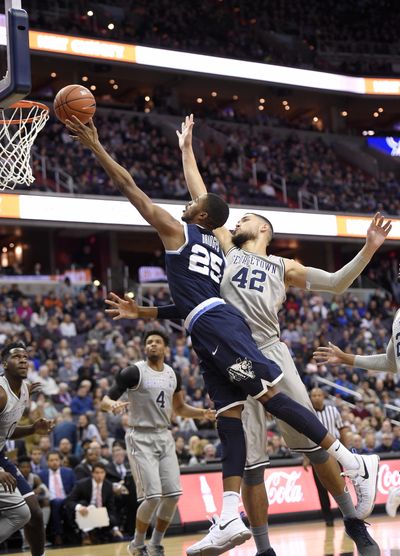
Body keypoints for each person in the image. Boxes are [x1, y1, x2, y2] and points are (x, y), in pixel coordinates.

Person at [67, 115, 380, 556]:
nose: (238, 221)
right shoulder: (222, 246)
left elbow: (335, 282)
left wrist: (367, 248)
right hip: (226, 345)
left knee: (311, 446)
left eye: (247, 217)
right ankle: (262, 546)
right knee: (250, 462)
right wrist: (186, 151)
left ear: (264, 230)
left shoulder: (281, 265)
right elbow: (202, 197)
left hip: (263, 344)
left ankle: (354, 515)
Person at [100, 329, 215, 556]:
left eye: (157, 342)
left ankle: (156, 544)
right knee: (152, 497)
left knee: (172, 495)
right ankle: (137, 544)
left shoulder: (173, 375)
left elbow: (180, 409)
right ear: (145, 348)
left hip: (164, 435)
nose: (152, 345)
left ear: (165, 348)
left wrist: (203, 413)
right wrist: (111, 406)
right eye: (149, 342)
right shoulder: (133, 372)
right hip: (140, 436)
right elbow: (105, 399)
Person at [0, 341, 54, 555]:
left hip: (1, 453)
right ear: (4, 364)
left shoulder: (25, 388)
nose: (23, 360)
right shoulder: (1, 393)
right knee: (22, 513)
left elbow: (6, 431)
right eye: (16, 357)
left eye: (25, 357)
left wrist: (33, 429)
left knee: (35, 513)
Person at [305, 388, 349, 526]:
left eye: (319, 395)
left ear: (323, 397)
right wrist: (305, 457)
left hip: (335, 453)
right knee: (321, 488)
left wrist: (344, 452)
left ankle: (347, 515)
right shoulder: (308, 413)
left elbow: (342, 430)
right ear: (310, 397)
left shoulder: (333, 410)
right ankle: (328, 519)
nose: (317, 397)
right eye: (314, 395)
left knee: (340, 485)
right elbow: (304, 436)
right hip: (316, 453)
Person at [66, 462, 123, 544]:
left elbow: (111, 507)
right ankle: (85, 534)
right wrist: (79, 507)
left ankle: (105, 533)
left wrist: (115, 528)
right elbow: (69, 501)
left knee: (112, 517)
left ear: (105, 473)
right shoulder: (81, 484)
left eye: (102, 472)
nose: (99, 475)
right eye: (97, 473)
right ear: (92, 473)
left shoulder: (108, 486)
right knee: (83, 502)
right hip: (85, 512)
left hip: (101, 513)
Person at [39, 450, 75, 545]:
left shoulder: (69, 472)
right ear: (47, 462)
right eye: (51, 460)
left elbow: (75, 488)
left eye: (56, 460)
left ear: (60, 461)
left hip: (66, 499)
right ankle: (58, 534)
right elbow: (40, 490)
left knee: (61, 503)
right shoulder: (41, 474)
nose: (54, 462)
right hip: (49, 501)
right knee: (56, 503)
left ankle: (64, 533)